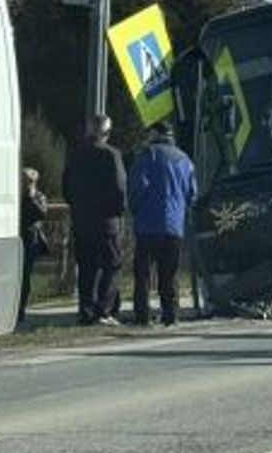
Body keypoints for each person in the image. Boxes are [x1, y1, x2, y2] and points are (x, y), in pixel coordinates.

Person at [127, 121, 198, 328]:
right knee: (170, 273)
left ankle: (143, 315)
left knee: (143, 273)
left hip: (148, 224)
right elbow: (192, 194)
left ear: (155, 134)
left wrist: (135, 209)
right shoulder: (185, 159)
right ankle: (171, 314)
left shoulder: (149, 155)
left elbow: (137, 186)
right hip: (174, 226)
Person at [63, 114, 127, 327]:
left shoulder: (75, 155)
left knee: (87, 268)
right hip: (107, 221)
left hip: (82, 221)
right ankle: (104, 309)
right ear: (106, 133)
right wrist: (120, 211)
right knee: (112, 265)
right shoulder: (111, 154)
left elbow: (67, 188)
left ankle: (86, 310)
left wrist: (77, 207)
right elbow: (119, 187)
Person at [17, 166, 49, 328]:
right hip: (17, 237)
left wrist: (30, 198)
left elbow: (42, 214)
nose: (25, 184)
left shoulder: (39, 196)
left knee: (25, 276)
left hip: (30, 239)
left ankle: (20, 309)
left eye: (28, 181)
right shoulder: (15, 196)